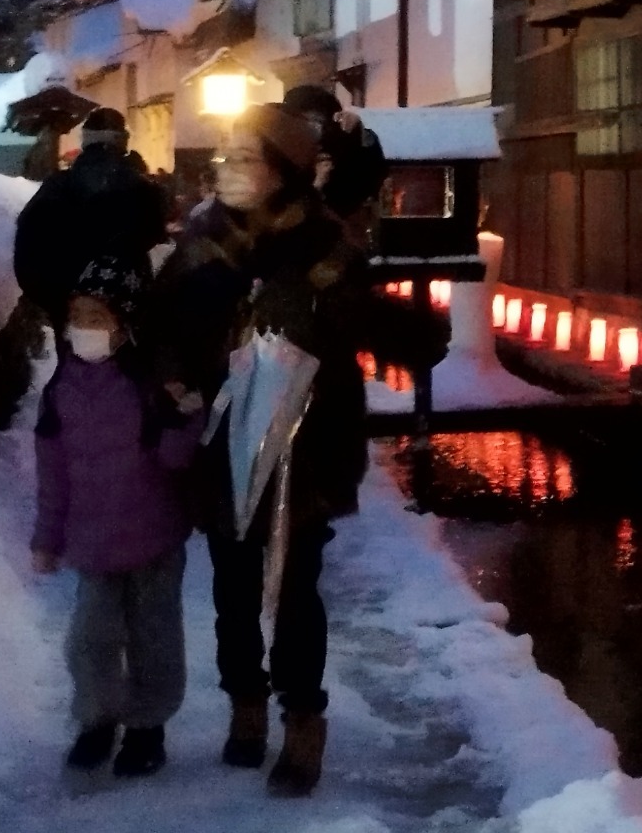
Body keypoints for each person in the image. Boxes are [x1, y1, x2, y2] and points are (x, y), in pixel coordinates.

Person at [157, 104, 444, 797]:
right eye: (226, 155)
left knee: (290, 589)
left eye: (246, 157)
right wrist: (174, 373)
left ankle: (302, 721)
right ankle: (245, 707)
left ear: (283, 171)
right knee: (231, 587)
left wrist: (403, 329)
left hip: (304, 452)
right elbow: (162, 326)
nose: (228, 168)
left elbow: (374, 324)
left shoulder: (326, 248)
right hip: (222, 444)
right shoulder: (199, 242)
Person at [31, 255, 205, 779]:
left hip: (152, 536)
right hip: (92, 541)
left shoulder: (147, 385)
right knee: (91, 640)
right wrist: (47, 536)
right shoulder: (59, 392)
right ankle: (97, 721)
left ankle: (148, 726)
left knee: (155, 637)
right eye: (77, 315)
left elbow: (174, 459)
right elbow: (53, 474)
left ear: (125, 324)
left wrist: (184, 417)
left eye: (97, 317)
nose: (84, 327)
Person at [14, 108, 171, 317]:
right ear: (123, 140)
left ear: (85, 140)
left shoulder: (56, 186)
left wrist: (55, 303)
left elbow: (27, 248)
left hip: (67, 308)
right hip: (125, 308)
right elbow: (159, 245)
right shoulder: (143, 189)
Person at [280, 85, 387, 240]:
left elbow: (370, 176)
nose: (311, 128)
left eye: (317, 121)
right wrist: (316, 186)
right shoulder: (282, 153)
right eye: (304, 121)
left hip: (335, 242)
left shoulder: (337, 149)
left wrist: (357, 132)